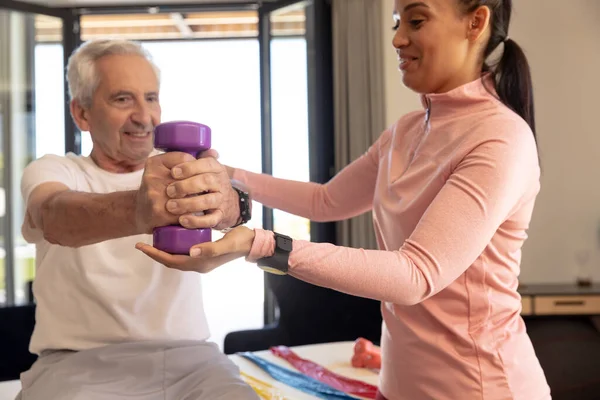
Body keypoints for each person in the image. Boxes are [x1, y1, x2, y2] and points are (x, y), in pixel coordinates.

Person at [138, 0, 552, 399]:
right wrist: (226, 177)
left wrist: (259, 244)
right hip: (398, 384)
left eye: (416, 21)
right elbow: (325, 201)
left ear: (475, 22)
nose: (397, 39)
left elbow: (415, 276)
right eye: (396, 23)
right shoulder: (405, 131)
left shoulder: (499, 139)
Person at [18, 39, 258, 400]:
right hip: (77, 366)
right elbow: (53, 215)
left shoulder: (181, 173)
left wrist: (233, 204)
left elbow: (236, 191)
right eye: (122, 99)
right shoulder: (55, 170)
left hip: (191, 363)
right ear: (82, 113)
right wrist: (140, 210)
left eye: (151, 97)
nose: (144, 116)